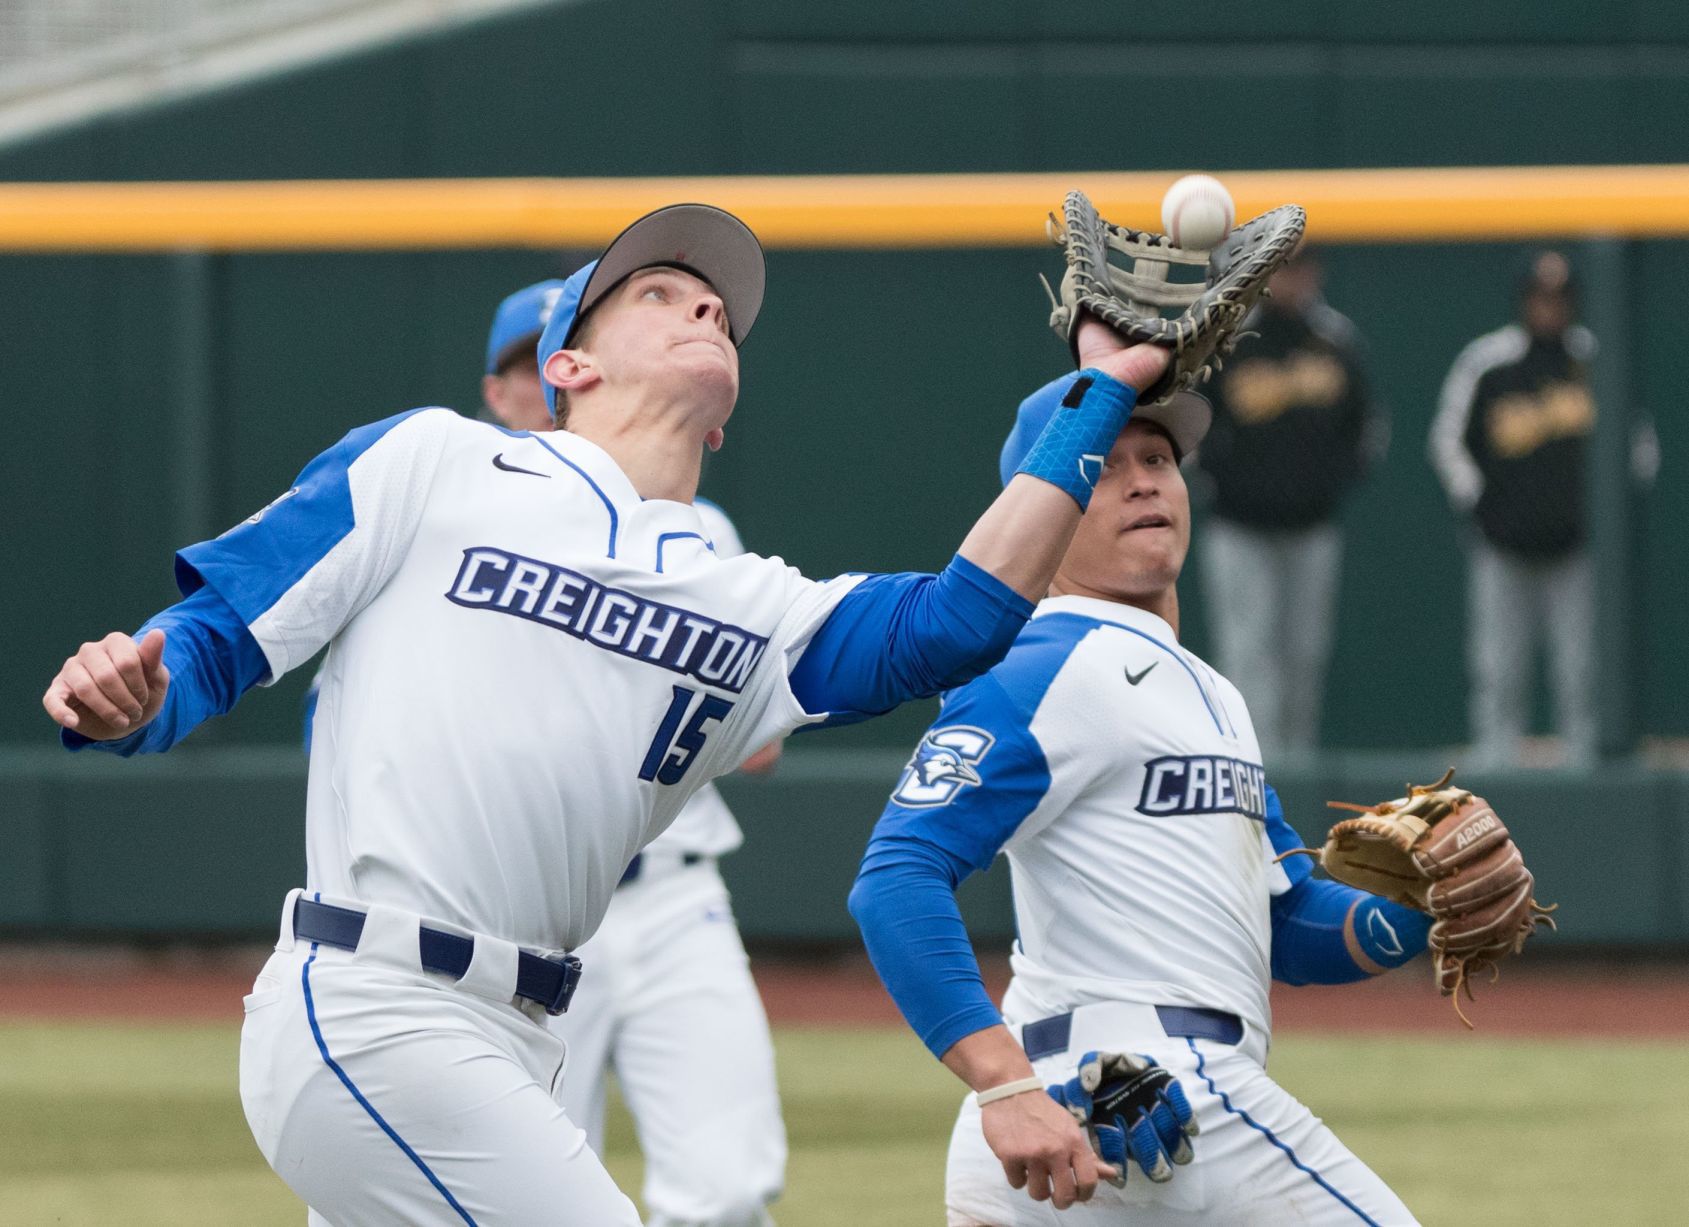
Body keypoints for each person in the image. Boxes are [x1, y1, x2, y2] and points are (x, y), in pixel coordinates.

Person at [41, 202, 1172, 1225]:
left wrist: (1102, 391)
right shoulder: (436, 462)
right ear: (567, 361)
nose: (706, 304)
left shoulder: (748, 603)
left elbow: (958, 621)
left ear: (725, 421)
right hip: (377, 1009)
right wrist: (140, 698)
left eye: (718, 309)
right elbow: (226, 628)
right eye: (659, 293)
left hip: (522, 1030)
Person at [849, 372, 1431, 1224]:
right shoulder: (1040, 664)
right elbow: (895, 877)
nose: (1143, 479)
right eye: (1102, 467)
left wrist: (1421, 909)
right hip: (1129, 1090)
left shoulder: (1211, 692)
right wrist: (1001, 1082)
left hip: (1097, 1115)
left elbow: (1287, 916)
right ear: (1039, 516)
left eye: (1157, 456)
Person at [315, 276, 794, 1225]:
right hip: (490, 918)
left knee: (729, 1184)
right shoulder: (444, 501)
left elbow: (761, 745)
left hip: (671, 892)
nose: (539, 386)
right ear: (513, 385)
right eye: (521, 365)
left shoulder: (700, 535)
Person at [1195, 246, 1381, 758]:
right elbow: (1191, 422)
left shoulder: (1336, 340)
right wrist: (1227, 478)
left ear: (1315, 272)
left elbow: (1366, 429)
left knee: (1304, 657)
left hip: (1311, 527)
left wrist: (1325, 485)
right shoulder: (1228, 337)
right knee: (1248, 656)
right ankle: (1253, 773)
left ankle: (1294, 773)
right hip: (1239, 526)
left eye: (1300, 267)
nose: (1292, 278)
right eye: (1282, 268)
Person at [1429, 251, 1596, 767]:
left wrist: (1599, 513)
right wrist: (1480, 503)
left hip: (1576, 548)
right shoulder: (1489, 360)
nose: (1549, 308)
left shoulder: (1593, 357)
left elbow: (1636, 447)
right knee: (1499, 674)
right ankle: (1497, 777)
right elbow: (1447, 442)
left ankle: (1586, 779)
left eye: (1559, 298)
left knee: (1582, 673)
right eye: (1540, 297)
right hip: (1502, 547)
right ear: (1524, 301)